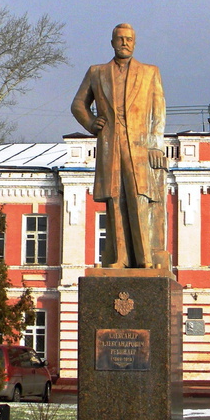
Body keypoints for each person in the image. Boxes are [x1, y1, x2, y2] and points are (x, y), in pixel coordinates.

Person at [71, 23, 168, 268]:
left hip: (140, 146)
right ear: (112, 42)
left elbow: (158, 112)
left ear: (134, 43)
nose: (125, 42)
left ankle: (145, 259)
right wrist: (91, 123)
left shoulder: (149, 72)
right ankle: (119, 259)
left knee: (139, 198)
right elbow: (78, 104)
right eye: (120, 38)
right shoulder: (97, 72)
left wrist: (156, 145)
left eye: (129, 39)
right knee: (115, 199)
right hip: (110, 144)